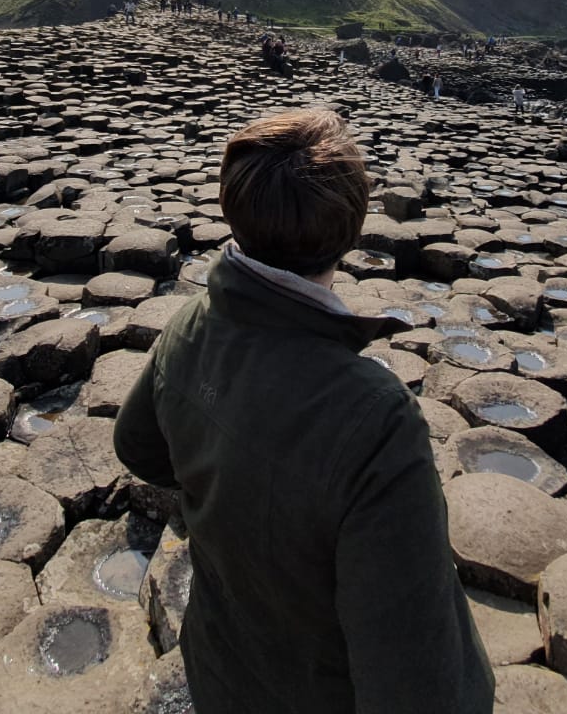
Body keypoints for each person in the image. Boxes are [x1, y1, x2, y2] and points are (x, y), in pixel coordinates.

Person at [114, 110, 493, 714]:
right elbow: (418, 680)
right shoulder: (375, 419)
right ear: (350, 227)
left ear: (233, 205)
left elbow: (136, 448)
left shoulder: (191, 323)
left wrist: (223, 504)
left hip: (218, 666)